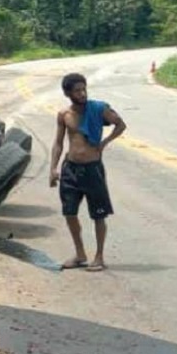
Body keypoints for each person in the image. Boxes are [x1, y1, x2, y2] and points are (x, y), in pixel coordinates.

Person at [50, 72, 126, 273]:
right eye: (77, 90)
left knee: (98, 215)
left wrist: (104, 143)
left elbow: (120, 124)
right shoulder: (64, 115)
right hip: (70, 169)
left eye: (84, 89)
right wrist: (53, 169)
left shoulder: (99, 109)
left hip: (92, 169)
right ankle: (80, 253)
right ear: (67, 93)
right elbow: (58, 143)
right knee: (69, 212)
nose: (82, 94)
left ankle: (99, 256)